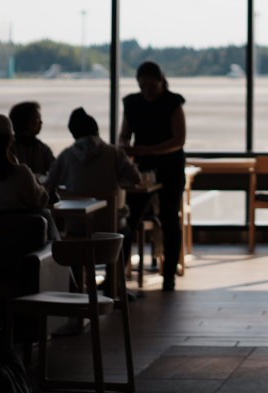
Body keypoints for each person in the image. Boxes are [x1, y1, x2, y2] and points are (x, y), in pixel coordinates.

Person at [120, 61, 187, 291]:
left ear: (161, 82)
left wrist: (144, 150)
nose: (146, 89)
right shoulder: (132, 103)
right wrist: (125, 146)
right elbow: (124, 134)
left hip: (169, 166)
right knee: (129, 218)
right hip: (143, 167)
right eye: (142, 85)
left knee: (169, 218)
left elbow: (179, 140)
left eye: (151, 85)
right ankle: (118, 276)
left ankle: (169, 276)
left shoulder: (173, 102)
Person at [48, 107, 142, 230]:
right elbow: (136, 179)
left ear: (74, 134)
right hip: (110, 225)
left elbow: (49, 184)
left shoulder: (66, 155)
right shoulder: (114, 152)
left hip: (76, 224)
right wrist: (118, 183)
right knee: (129, 228)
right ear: (97, 131)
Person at [8, 101, 56, 178]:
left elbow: (56, 171)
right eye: (37, 119)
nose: (41, 122)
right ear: (25, 121)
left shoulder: (43, 149)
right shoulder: (9, 148)